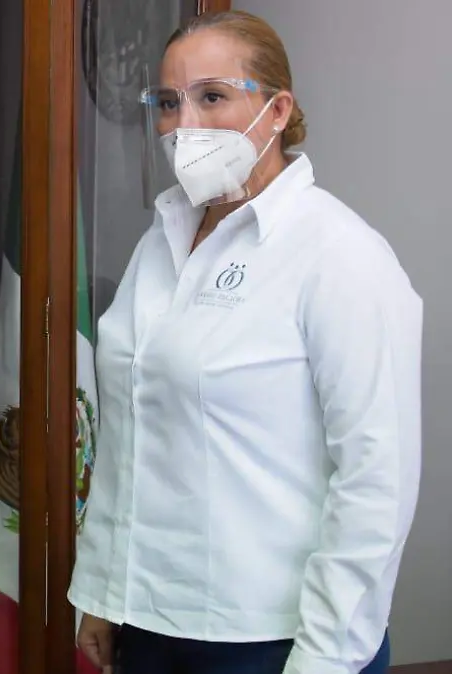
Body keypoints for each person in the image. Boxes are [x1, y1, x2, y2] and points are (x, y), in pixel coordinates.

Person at [71, 11, 421, 674]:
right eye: (168, 103)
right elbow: (131, 435)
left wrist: (323, 658)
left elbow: (377, 479)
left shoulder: (340, 256)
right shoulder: (161, 243)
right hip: (148, 621)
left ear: (277, 110)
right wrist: (103, 592)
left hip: (273, 639)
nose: (184, 124)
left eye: (212, 96)